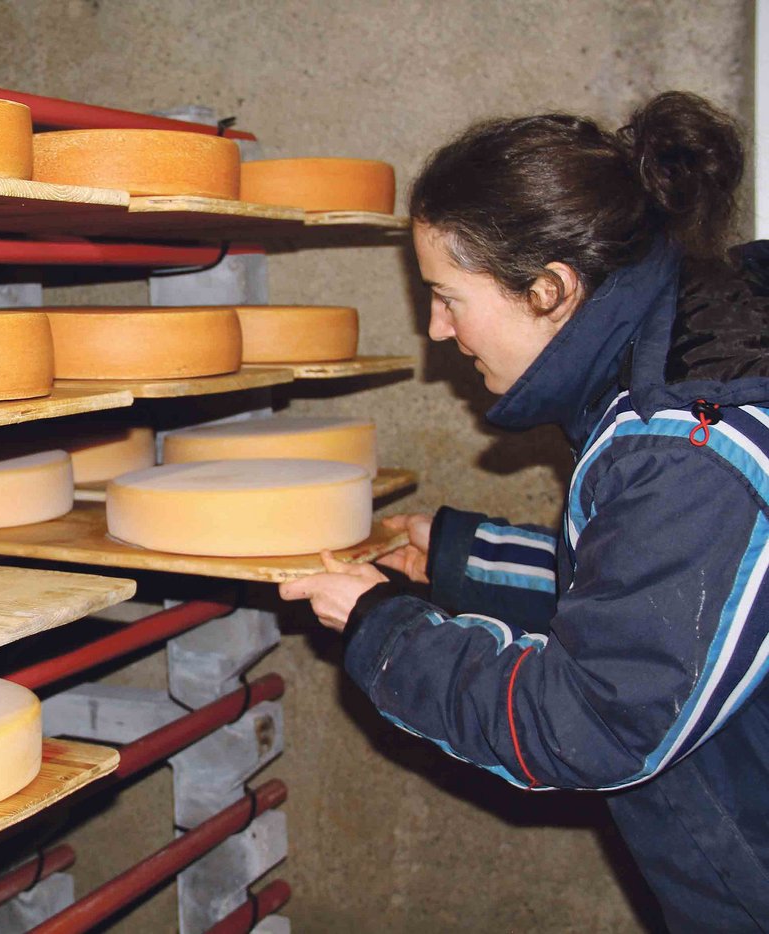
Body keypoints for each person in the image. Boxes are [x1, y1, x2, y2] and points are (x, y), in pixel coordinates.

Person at [281, 91, 769, 932]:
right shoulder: (691, 340)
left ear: (549, 289)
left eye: (447, 296)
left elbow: (592, 723)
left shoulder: (689, 446)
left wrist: (379, 627)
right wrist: (463, 560)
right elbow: (659, 592)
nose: (435, 329)